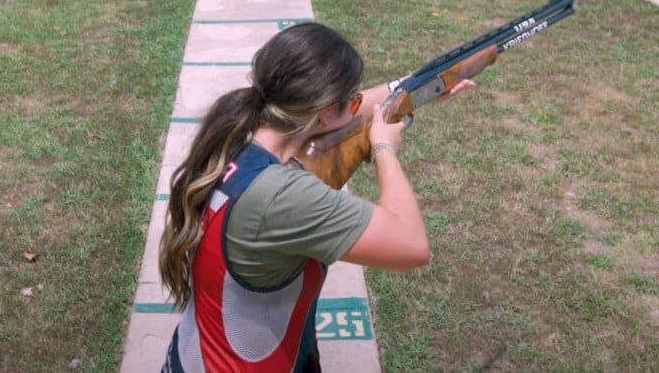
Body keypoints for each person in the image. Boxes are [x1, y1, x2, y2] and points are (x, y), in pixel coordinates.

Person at [158, 23, 475, 372]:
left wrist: (417, 87)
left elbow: (352, 109)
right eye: (352, 100)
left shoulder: (233, 134)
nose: (359, 104)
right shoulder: (282, 196)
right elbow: (411, 246)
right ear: (325, 113)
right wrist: (384, 145)